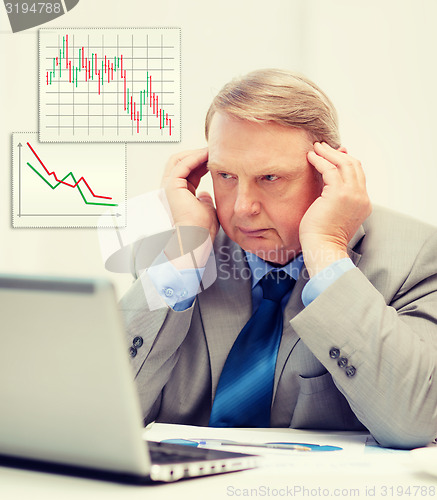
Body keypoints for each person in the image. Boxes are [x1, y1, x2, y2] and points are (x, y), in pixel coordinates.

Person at [120, 68, 437, 449]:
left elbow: (414, 423)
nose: (242, 208)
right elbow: (103, 412)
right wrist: (184, 255)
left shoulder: (417, 258)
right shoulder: (173, 254)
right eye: (225, 176)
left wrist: (327, 250)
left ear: (330, 172)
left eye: (270, 178)